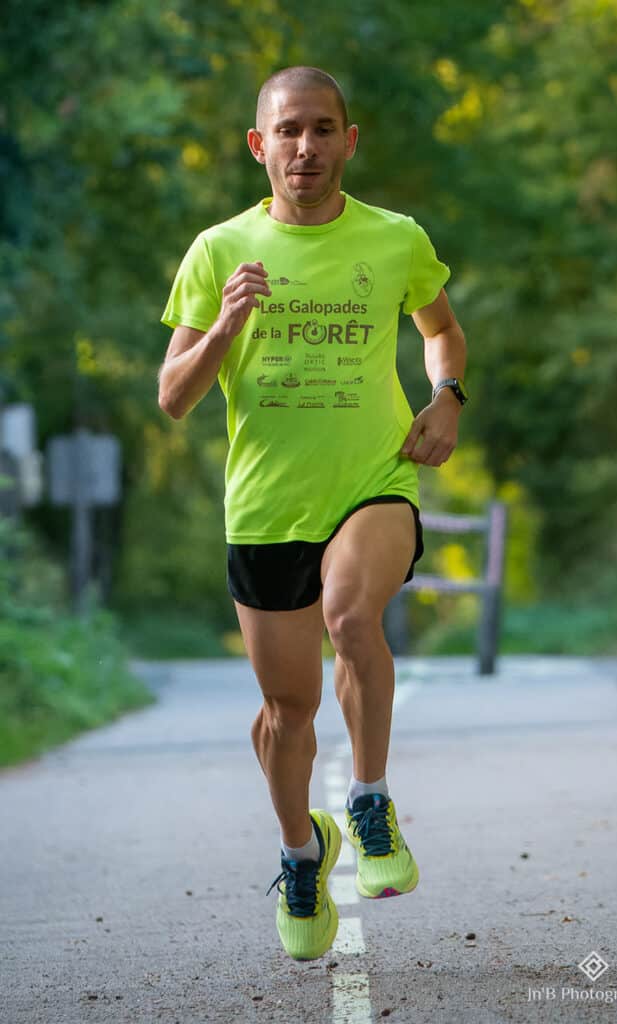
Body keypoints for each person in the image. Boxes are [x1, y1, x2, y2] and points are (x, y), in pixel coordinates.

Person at [158, 66, 467, 962]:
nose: (306, 147)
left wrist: (446, 395)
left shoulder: (394, 238)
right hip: (263, 506)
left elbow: (439, 328)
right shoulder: (218, 250)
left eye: (322, 129)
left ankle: (368, 803)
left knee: (350, 613)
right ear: (260, 145)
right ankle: (303, 850)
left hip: (375, 478)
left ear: (347, 140)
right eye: (287, 131)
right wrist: (222, 328)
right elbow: (174, 397)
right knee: (285, 713)